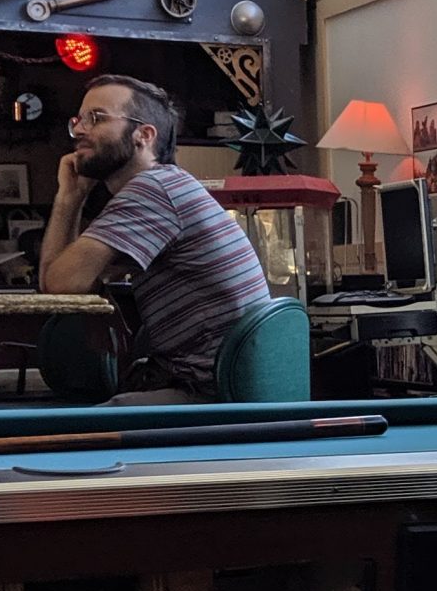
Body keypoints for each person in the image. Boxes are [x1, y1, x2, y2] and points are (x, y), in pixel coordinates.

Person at [41, 74, 270, 398]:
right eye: (78, 120)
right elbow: (60, 285)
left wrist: (67, 200)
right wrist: (72, 196)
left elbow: (60, 285)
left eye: (97, 118)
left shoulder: (153, 190)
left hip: (206, 394)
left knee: (58, 424)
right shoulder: (165, 186)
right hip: (216, 385)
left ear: (144, 135)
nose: (79, 130)